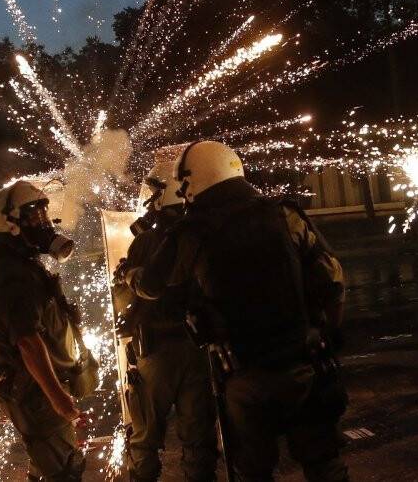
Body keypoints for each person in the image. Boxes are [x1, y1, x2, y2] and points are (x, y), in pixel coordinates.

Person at [125, 140, 350, 482]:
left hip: (245, 377)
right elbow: (332, 280)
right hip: (304, 364)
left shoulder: (190, 232)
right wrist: (328, 337)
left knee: (253, 473)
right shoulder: (282, 214)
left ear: (194, 179)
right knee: (325, 466)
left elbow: (151, 288)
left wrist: (130, 273)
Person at [115, 160, 218, 481]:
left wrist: (124, 277)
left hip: (155, 352)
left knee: (145, 439)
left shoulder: (146, 242)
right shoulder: (201, 236)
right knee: (199, 438)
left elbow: (127, 301)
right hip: (197, 349)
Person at [0, 180, 84, 482]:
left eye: (43, 214)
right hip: (36, 395)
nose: (44, 223)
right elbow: (27, 342)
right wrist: (59, 400)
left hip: (37, 393)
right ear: (10, 223)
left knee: (45, 470)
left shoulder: (21, 266)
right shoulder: (13, 275)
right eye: (34, 217)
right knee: (64, 472)